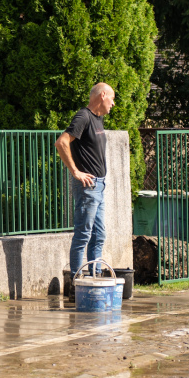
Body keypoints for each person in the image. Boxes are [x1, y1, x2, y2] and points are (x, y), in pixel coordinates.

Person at [55, 82, 116, 279]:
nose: (113, 104)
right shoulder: (83, 116)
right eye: (112, 99)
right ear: (103, 95)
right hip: (88, 187)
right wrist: (75, 172)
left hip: (99, 185)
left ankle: (95, 276)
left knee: (99, 235)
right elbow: (61, 142)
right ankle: (76, 280)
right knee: (83, 234)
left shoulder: (98, 120)